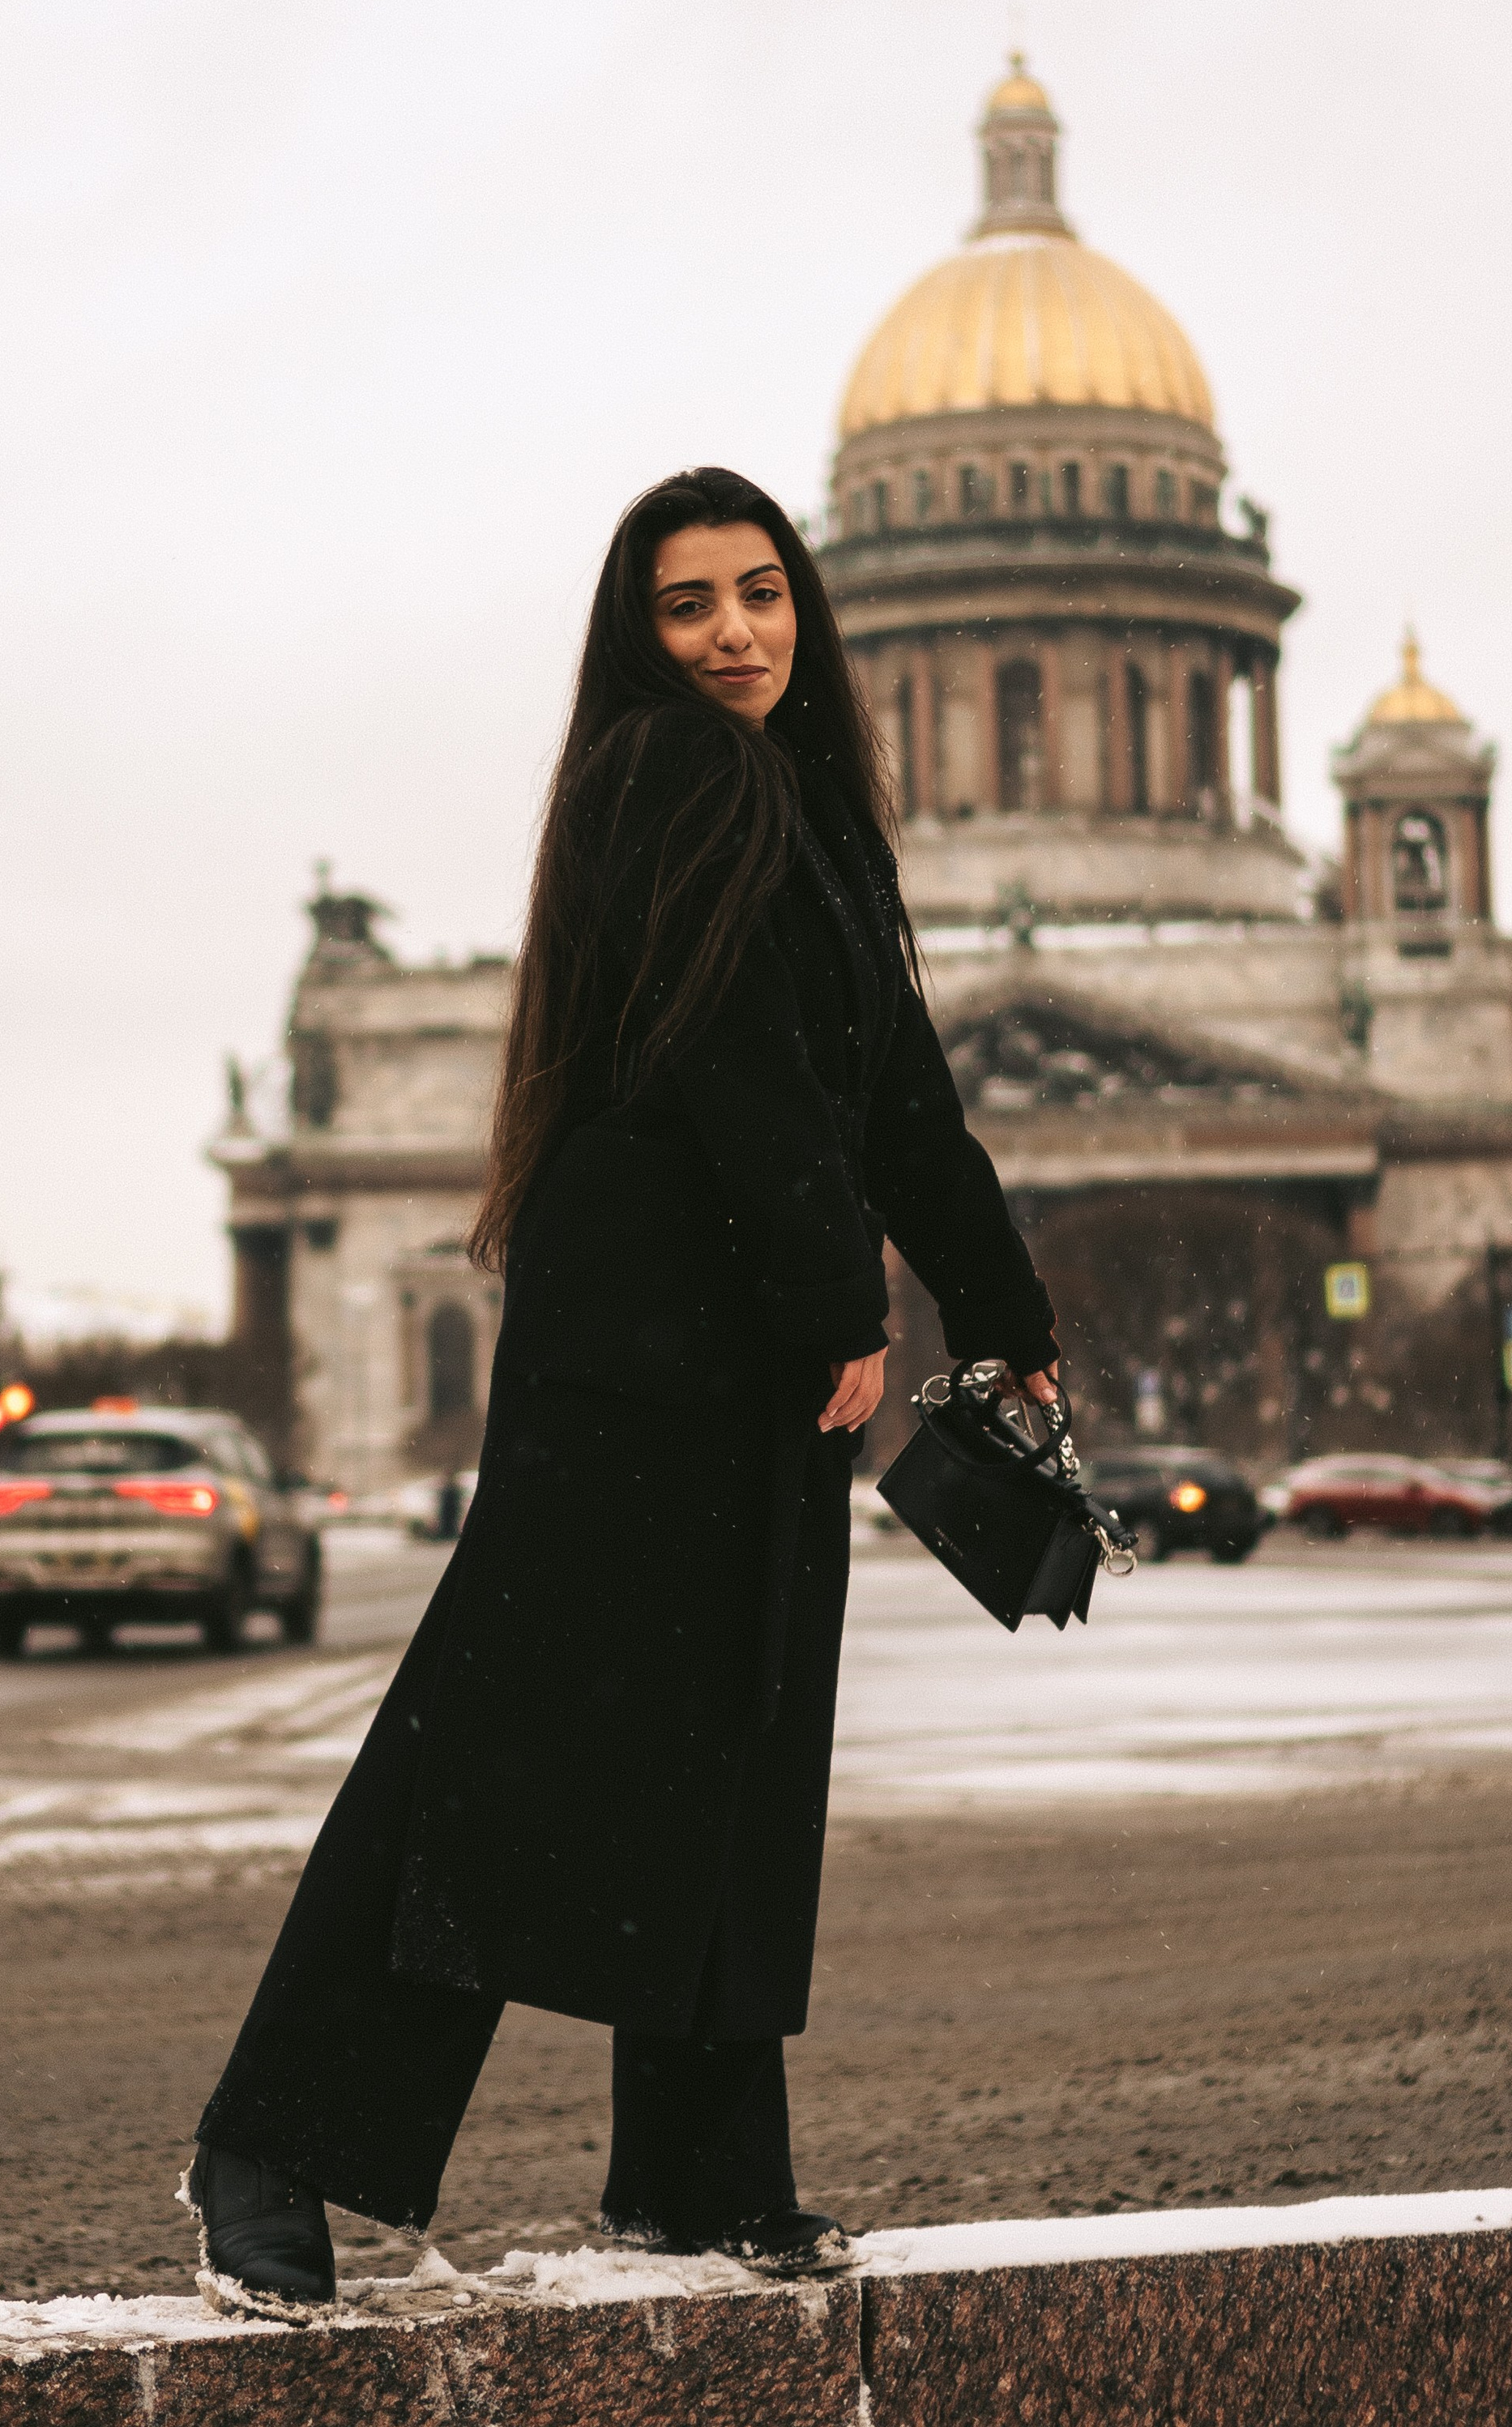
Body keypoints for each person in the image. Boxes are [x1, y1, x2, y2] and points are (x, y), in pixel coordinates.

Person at [185, 465, 1059, 2314]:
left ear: (805, 610)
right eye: (686, 605)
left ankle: (694, 2174)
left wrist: (1003, 1309)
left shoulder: (807, 808)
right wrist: (848, 1300)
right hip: (644, 1344)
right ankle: (265, 2145)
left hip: (747, 1345)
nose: (732, 631)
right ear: (634, 635)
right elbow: (732, 1055)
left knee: (735, 1743)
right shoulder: (671, 773)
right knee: (496, 1744)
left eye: (759, 593)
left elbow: (897, 1094)